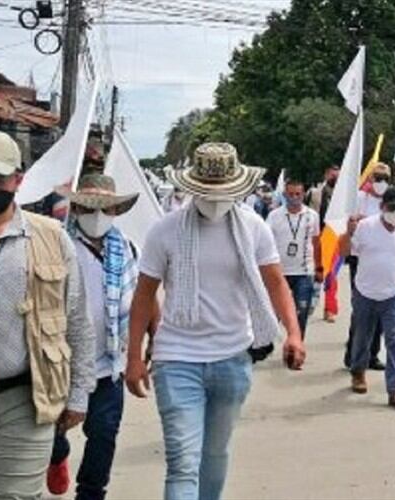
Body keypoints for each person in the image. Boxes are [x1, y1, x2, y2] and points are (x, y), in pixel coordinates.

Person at [125, 142, 306, 500]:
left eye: (223, 191)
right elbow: (144, 296)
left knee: (215, 454)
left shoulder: (253, 227)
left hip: (233, 357)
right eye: (208, 191)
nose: (215, 199)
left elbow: (276, 283)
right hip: (177, 358)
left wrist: (294, 333)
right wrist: (133, 357)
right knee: (183, 462)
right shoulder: (165, 230)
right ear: (193, 188)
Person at [0, 130, 96, 498]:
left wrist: (79, 393)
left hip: (22, 403)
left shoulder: (51, 238)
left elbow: (77, 321)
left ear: (17, 179)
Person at [46, 173, 155, 499]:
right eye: (88, 208)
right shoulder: (57, 246)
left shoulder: (129, 249)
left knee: (103, 435)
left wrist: (152, 342)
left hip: (109, 363)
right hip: (60, 362)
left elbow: (144, 297)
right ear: (76, 208)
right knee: (51, 431)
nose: (96, 216)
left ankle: (91, 492)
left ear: (116, 211)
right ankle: (57, 455)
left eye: (105, 209)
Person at [340, 186, 395, 408]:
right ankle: (358, 372)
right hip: (365, 293)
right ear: (382, 207)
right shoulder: (365, 226)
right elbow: (344, 252)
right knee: (362, 338)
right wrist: (348, 233)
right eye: (392, 208)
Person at [343, 163, 394, 370]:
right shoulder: (359, 198)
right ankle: (353, 354)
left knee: (381, 307)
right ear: (370, 179)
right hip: (360, 257)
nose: (381, 182)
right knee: (361, 309)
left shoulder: (390, 201)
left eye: (385, 178)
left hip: (384, 257)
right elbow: (348, 224)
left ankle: (372, 355)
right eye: (378, 178)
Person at [267, 179, 322, 340]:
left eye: (298, 194)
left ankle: (296, 344)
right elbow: (265, 243)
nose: (294, 197)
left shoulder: (312, 216)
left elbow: (316, 242)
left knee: (301, 313)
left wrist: (319, 267)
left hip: (304, 272)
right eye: (291, 194)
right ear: (285, 195)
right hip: (279, 272)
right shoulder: (274, 216)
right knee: (274, 312)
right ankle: (267, 343)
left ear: (304, 195)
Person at [307, 165, 340, 323]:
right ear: (326, 175)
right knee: (311, 273)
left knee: (331, 276)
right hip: (315, 237)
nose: (335, 178)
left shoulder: (342, 198)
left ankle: (329, 309)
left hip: (333, 239)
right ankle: (305, 304)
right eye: (333, 175)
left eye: (338, 176)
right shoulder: (314, 193)